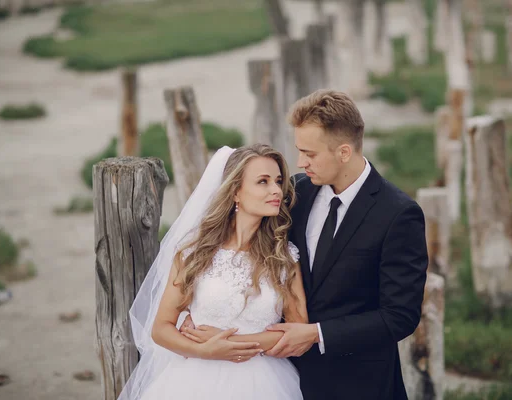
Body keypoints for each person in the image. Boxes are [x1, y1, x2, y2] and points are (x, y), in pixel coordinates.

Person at [181, 89, 429, 400]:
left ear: (343, 152)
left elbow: (399, 316)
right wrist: (200, 309)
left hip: (359, 383)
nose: (300, 162)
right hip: (282, 377)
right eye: (299, 151)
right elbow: (239, 248)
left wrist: (317, 334)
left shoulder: (398, 214)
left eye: (310, 154)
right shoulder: (295, 194)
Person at [118, 144, 307, 400]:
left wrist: (231, 341)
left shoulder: (285, 257)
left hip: (263, 383)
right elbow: (161, 328)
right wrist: (206, 351)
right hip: (192, 380)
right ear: (236, 192)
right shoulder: (195, 253)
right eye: (263, 182)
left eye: (278, 181)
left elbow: (298, 330)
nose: (276, 190)